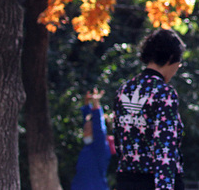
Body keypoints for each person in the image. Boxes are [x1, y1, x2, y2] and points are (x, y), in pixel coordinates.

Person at [113, 28, 186, 190]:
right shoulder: (163, 93)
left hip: (126, 179)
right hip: (155, 180)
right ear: (171, 58)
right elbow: (164, 147)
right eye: (179, 63)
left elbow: (119, 142)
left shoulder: (124, 90)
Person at [71, 88, 112, 190]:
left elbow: (99, 128)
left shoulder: (100, 147)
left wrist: (96, 104)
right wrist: (86, 105)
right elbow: (88, 120)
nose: (85, 131)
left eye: (87, 129)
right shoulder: (88, 147)